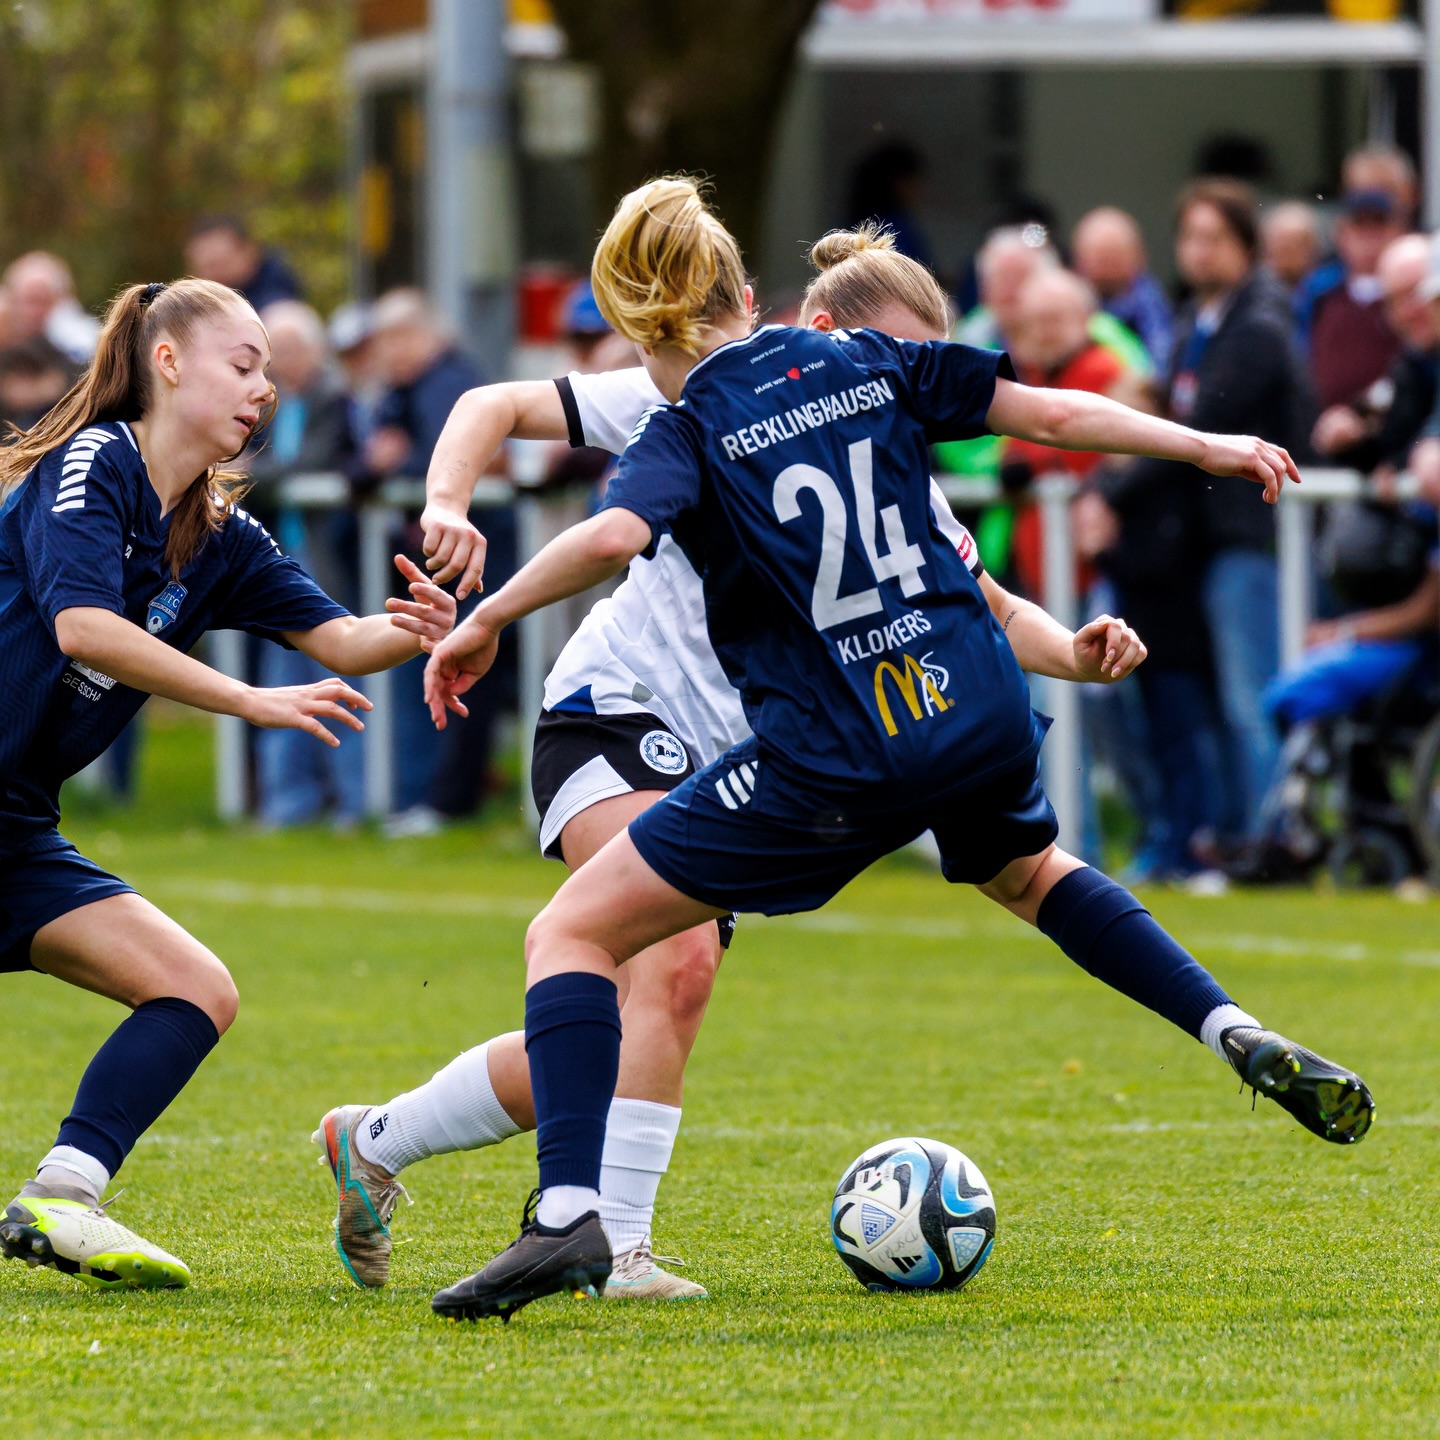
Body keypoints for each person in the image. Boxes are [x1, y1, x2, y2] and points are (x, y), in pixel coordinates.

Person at [417, 178, 1369, 1322]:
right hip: (959, 713)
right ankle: (1230, 1025)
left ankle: (571, 1213)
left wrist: (483, 619)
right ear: (759, 297)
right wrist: (1204, 444)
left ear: (642, 327)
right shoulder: (875, 375)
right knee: (1034, 873)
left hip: (828, 749)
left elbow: (614, 531)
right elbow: (1053, 417)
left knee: (573, 930)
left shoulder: (691, 424)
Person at [316, 223, 1081, 1300]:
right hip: (614, 708)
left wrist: (1079, 657)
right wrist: (446, 506)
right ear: (820, 334)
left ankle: (378, 1140)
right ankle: (613, 1246)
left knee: (636, 1013)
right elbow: (489, 406)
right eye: (888, 358)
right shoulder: (695, 394)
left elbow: (994, 608)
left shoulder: (888, 460)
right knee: (673, 965)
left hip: (738, 761)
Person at [0, 279, 456, 1291]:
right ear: (167, 362)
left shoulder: (217, 534)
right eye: (242, 365)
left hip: (13, 828)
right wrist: (252, 703)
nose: (265, 388)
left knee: (195, 990)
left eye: (271, 374)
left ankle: (62, 1196)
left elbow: (341, 637)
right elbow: (85, 629)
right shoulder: (93, 463)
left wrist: (446, 623)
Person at [1159, 178, 1312, 838]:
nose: (1198, 253)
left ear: (1247, 247)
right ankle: (1246, 834)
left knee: (1254, 699)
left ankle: (1276, 839)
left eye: (1214, 239)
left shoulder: (1258, 326)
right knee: (1229, 698)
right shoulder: (1198, 322)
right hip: (1211, 540)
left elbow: (1197, 419)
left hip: (1254, 538)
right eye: (1190, 237)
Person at [365, 287, 511, 834]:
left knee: (462, 668)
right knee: (442, 668)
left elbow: (453, 465)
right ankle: (434, 797)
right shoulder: (408, 389)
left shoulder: (446, 385)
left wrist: (396, 464)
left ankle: (448, 801)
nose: (387, 351)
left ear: (424, 335)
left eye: (396, 337)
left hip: (467, 558)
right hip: (445, 559)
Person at [246, 300, 366, 828]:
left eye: (293, 349)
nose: (284, 360)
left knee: (340, 677)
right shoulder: (266, 403)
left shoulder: (333, 398)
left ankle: (355, 801)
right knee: (280, 681)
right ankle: (287, 805)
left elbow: (308, 463)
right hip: (277, 554)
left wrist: (252, 470)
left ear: (315, 351)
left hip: (326, 558)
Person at [1071, 207, 1174, 370]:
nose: (1108, 267)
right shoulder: (1065, 302)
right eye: (1101, 258)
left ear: (1140, 257)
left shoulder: (1152, 305)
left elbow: (1161, 364)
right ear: (1079, 260)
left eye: (1116, 255)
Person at [183, 215, 303, 312]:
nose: (214, 272)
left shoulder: (276, 284)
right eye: (205, 266)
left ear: (248, 251)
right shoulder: (191, 303)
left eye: (221, 262)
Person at [0, 252, 100, 366]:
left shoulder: (81, 342)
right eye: (29, 301)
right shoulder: (5, 338)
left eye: (43, 301)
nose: (35, 312)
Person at [1261, 201, 1323, 301]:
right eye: (1281, 247)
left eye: (1294, 246)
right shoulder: (1256, 291)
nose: (1286, 256)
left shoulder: (1325, 290)